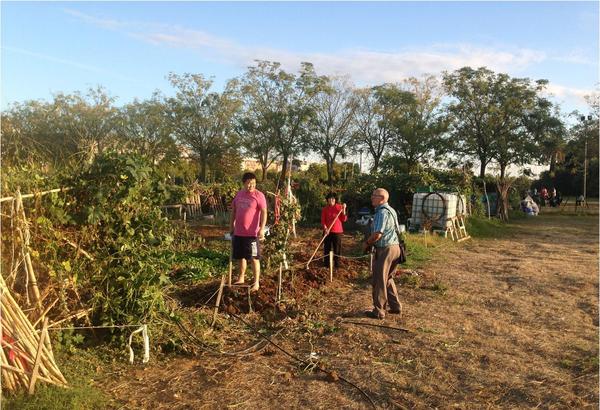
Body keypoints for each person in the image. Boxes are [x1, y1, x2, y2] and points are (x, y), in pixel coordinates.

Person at [362, 188, 403, 320]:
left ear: (382, 198)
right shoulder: (391, 210)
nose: (371, 197)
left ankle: (379, 311)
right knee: (388, 278)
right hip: (396, 248)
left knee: (379, 279)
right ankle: (396, 306)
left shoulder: (381, 212)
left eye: (374, 195)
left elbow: (377, 234)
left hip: (385, 249)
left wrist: (367, 243)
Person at [230, 172, 267, 292]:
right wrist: (231, 226)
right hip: (238, 232)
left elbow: (264, 212)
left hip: (252, 234)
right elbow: (234, 211)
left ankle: (256, 283)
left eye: (253, 183)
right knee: (241, 257)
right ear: (244, 183)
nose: (251, 186)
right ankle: (241, 278)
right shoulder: (239, 194)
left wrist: (262, 228)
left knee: (254, 258)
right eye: (249, 183)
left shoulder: (259, 195)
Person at [321, 192, 347, 269]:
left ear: (335, 199)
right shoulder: (325, 209)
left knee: (337, 249)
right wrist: (325, 228)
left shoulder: (339, 207)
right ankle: (326, 264)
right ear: (327, 200)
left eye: (333, 198)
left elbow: (344, 219)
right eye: (329, 198)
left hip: (337, 232)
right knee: (327, 248)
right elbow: (323, 221)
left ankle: (337, 265)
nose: (331, 200)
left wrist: (344, 209)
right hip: (327, 232)